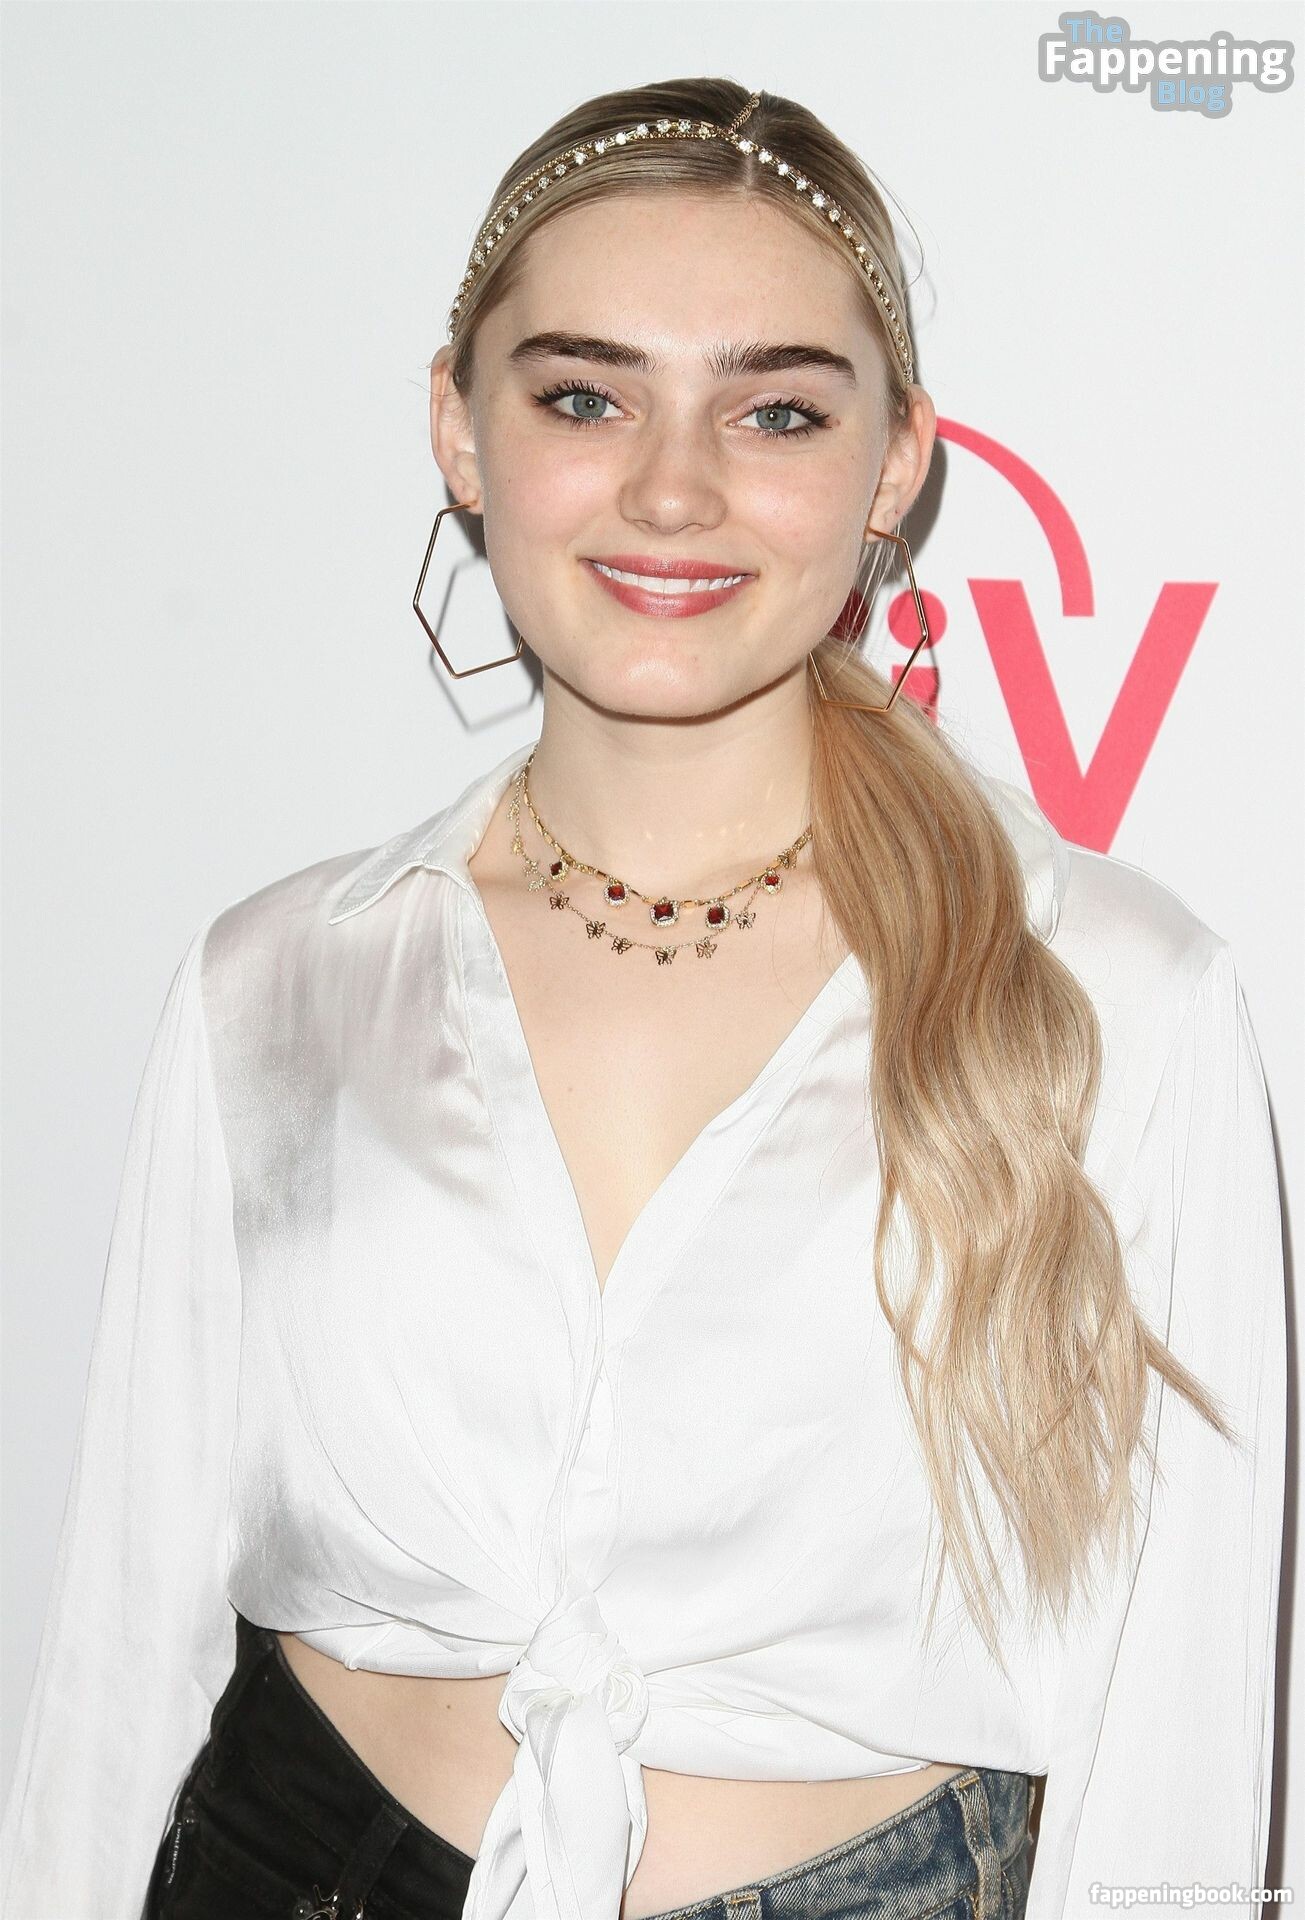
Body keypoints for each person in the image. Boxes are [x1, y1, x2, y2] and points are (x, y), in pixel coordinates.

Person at [0, 76, 1286, 1920]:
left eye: (776, 411)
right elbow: (122, 1648)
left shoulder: (1115, 997)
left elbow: (1174, 1745)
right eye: (584, 398)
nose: (673, 488)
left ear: (895, 465)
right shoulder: (278, 980)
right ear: (457, 429)